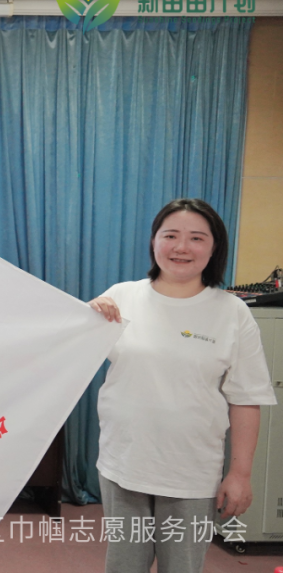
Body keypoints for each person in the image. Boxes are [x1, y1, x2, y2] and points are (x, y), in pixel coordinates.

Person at [88, 198, 276, 573]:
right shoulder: (121, 296)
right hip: (123, 462)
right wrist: (87, 317)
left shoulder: (232, 312)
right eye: (170, 235)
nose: (181, 247)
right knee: (123, 566)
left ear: (214, 247)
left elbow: (246, 399)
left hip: (191, 471)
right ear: (154, 241)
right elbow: (70, 356)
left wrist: (240, 474)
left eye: (196, 238)